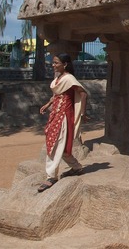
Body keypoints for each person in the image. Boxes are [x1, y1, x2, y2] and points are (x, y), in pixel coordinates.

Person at [37, 54, 88, 192]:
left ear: (64, 64)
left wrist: (82, 112)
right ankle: (76, 167)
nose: (53, 65)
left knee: (55, 143)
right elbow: (57, 94)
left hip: (64, 115)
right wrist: (48, 104)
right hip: (55, 113)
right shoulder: (59, 78)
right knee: (60, 144)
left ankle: (51, 177)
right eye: (53, 63)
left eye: (56, 63)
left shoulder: (69, 78)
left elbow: (83, 93)